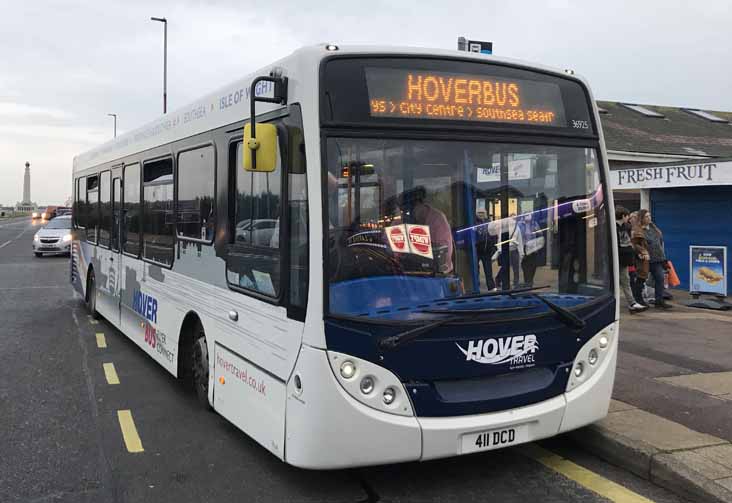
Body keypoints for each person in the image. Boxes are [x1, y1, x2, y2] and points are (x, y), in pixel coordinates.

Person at [400, 186, 454, 274]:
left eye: (411, 209)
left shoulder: (437, 219)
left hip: (437, 272)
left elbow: (443, 252)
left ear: (419, 204)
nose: (409, 213)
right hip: (410, 270)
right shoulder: (405, 220)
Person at [616, 207, 648, 313]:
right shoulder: (612, 227)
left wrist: (635, 254)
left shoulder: (627, 227)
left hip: (625, 259)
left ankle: (632, 303)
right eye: (627, 216)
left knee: (626, 280)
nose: (629, 219)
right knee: (615, 281)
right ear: (623, 216)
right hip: (615, 258)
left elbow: (630, 243)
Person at [638, 209, 672, 309]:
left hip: (657, 259)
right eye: (646, 216)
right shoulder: (639, 230)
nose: (649, 218)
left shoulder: (653, 228)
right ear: (642, 218)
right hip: (645, 260)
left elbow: (659, 242)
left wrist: (663, 258)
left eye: (649, 216)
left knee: (660, 278)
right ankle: (638, 299)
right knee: (640, 280)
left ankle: (659, 301)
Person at [489, 214, 522, 289]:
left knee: (515, 267)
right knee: (505, 267)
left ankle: (515, 283)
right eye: (511, 218)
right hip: (506, 250)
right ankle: (498, 279)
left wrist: (521, 252)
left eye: (514, 218)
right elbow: (500, 239)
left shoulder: (517, 228)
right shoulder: (504, 228)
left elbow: (519, 239)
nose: (512, 220)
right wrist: (500, 249)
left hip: (514, 249)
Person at [629, 212, 650, 306]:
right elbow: (635, 244)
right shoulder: (636, 229)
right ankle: (638, 299)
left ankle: (638, 298)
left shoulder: (642, 228)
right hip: (638, 258)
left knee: (641, 278)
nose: (632, 219)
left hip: (643, 257)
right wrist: (642, 252)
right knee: (639, 278)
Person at [519, 212, 545, 287]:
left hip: (533, 246)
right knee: (525, 265)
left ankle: (530, 280)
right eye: (526, 215)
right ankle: (527, 281)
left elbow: (540, 234)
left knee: (533, 265)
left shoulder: (534, 224)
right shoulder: (520, 224)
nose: (528, 216)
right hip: (524, 246)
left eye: (529, 215)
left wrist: (537, 231)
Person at [475, 210, 496, 290]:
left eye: (482, 213)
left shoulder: (489, 223)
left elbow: (494, 236)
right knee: (476, 269)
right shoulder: (474, 222)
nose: (481, 214)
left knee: (488, 270)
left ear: (486, 214)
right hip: (477, 249)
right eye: (479, 213)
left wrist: (493, 248)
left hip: (487, 249)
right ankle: (476, 285)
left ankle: (491, 286)